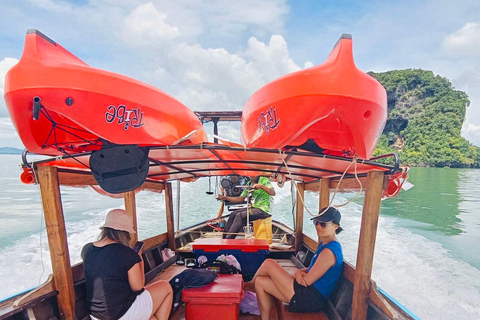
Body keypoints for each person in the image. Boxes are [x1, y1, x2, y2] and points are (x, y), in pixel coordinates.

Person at [245, 207, 343, 319]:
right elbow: (311, 269)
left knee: (269, 263)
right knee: (260, 282)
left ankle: (248, 286)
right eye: (316, 222)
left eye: (323, 224)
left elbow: (307, 280)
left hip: (310, 298)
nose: (318, 226)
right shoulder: (324, 244)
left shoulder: (329, 252)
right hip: (306, 293)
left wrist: (299, 274)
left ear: (336, 226)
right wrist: (298, 272)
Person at [81, 209, 173, 320]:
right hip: (121, 314)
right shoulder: (126, 253)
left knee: (152, 316)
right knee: (165, 286)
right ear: (125, 233)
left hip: (96, 315)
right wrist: (139, 259)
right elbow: (138, 287)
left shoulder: (87, 249)